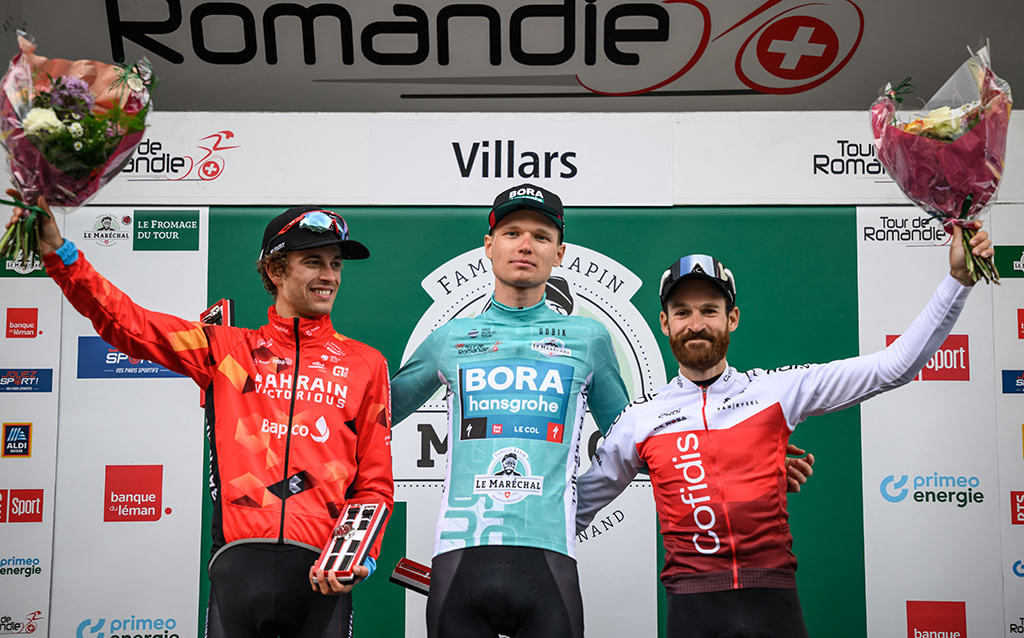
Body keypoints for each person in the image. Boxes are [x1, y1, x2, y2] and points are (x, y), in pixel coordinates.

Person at [389, 183, 813, 638]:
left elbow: (642, 438)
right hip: (459, 552)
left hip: (551, 556)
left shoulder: (588, 339)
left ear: (560, 253)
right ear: (489, 246)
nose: (526, 245)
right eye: (512, 233)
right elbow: (372, 420)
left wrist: (740, 462)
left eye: (542, 236)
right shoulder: (448, 339)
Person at [575, 224, 992, 638]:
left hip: (774, 601)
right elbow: (573, 510)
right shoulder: (639, 420)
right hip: (691, 607)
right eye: (682, 312)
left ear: (732, 318)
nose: (696, 323)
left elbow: (893, 367)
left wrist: (957, 281)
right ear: (664, 324)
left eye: (709, 310)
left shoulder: (775, 391)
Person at [7, 195, 393, 638]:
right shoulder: (226, 350)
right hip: (239, 567)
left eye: (336, 264)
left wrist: (357, 550)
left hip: (322, 575)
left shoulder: (366, 364)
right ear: (275, 270)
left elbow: (374, 484)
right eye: (313, 262)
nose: (329, 276)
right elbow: (126, 322)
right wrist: (61, 254)